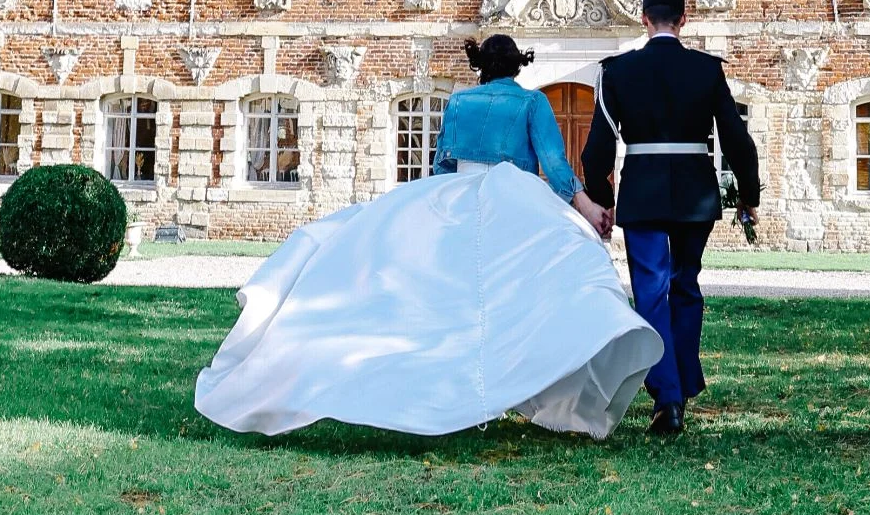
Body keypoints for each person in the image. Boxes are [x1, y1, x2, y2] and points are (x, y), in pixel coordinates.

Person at [194, 35, 662, 439]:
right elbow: (555, 167)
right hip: (512, 200)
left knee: (447, 298)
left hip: (455, 195)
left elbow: (441, 162)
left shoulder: (458, 102)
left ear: (481, 67)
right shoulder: (531, 102)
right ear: (519, 66)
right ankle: (514, 383)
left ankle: (455, 388)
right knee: (524, 293)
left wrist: (436, 208)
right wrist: (586, 207)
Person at [580, 0, 758, 436]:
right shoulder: (705, 70)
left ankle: (668, 395)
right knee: (685, 285)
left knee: (652, 290)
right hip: (695, 191)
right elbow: (736, 139)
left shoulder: (617, 71)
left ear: (644, 19)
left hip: (642, 191)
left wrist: (600, 199)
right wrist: (749, 195)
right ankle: (680, 385)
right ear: (683, 21)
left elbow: (598, 147)